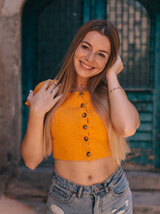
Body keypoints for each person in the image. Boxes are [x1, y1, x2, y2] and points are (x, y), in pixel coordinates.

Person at [20, 19, 140, 214]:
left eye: (101, 55)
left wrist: (111, 76)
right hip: (66, 200)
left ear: (109, 61)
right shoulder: (48, 91)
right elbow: (31, 161)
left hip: (115, 196)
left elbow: (127, 128)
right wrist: (36, 112)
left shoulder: (111, 92)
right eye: (85, 47)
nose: (90, 58)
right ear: (75, 46)